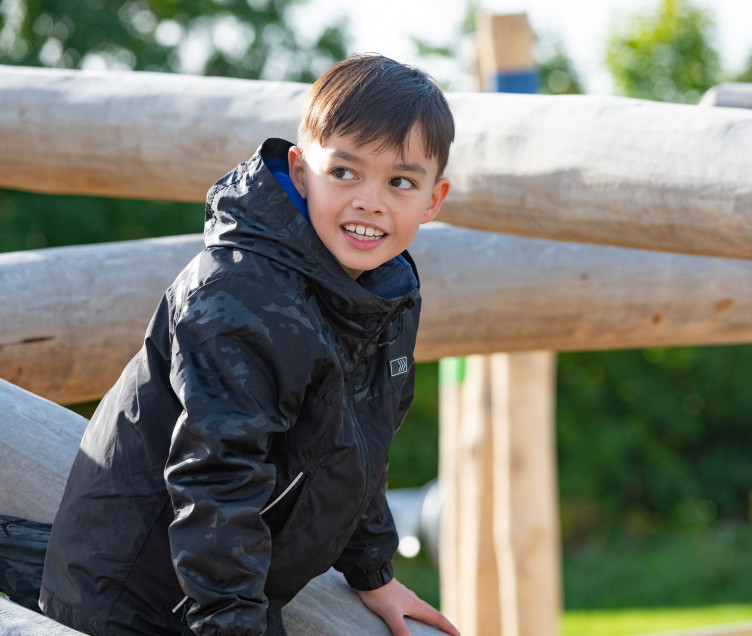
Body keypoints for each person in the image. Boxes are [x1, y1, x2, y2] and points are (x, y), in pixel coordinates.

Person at [38, 54, 458, 636]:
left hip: (233, 588)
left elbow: (357, 451)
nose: (370, 200)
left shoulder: (385, 297)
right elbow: (216, 481)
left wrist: (372, 571)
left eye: (400, 182)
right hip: (133, 597)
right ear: (301, 169)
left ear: (433, 201)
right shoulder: (241, 294)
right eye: (344, 172)